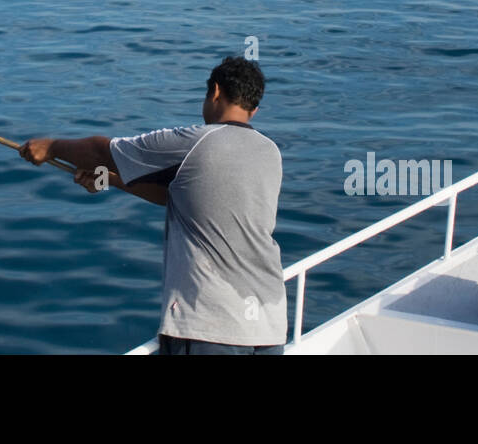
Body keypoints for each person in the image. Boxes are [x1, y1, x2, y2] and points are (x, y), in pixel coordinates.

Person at [19, 56, 286, 354]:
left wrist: (51, 147)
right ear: (254, 108)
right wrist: (112, 180)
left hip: (212, 328)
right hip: (268, 326)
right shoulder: (269, 152)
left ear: (215, 91)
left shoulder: (195, 141)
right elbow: (182, 196)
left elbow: (101, 151)